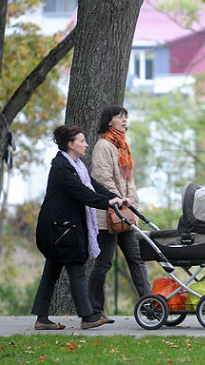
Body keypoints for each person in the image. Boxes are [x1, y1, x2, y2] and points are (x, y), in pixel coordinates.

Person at [32, 125, 124, 330]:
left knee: (51, 273)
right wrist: (106, 203)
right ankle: (88, 316)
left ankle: (41, 319)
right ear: (70, 144)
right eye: (81, 141)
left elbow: (92, 186)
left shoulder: (76, 166)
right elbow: (82, 193)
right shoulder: (62, 168)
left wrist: (114, 197)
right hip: (60, 231)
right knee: (76, 269)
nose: (86, 144)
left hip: (60, 229)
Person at [88, 105, 152, 317]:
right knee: (104, 263)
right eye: (119, 117)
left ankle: (151, 307)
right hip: (109, 216)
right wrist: (119, 200)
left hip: (126, 213)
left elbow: (129, 180)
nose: (124, 120)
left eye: (126, 116)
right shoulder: (104, 146)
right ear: (109, 121)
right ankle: (94, 311)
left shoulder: (123, 146)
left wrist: (132, 202)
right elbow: (102, 178)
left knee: (136, 260)